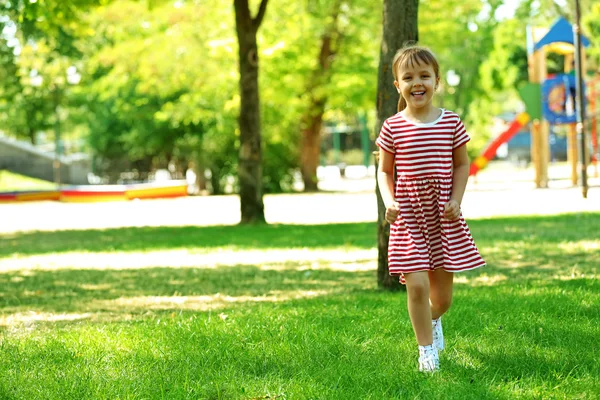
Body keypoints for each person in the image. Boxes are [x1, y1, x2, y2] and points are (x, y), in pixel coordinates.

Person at [376, 45, 485, 372]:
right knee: (418, 285)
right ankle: (426, 352)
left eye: (424, 75)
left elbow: (462, 166)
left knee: (442, 300)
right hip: (408, 216)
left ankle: (433, 320)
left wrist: (456, 199)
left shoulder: (450, 122)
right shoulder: (392, 127)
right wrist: (390, 201)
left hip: (442, 217)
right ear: (398, 85)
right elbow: (384, 171)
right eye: (408, 77)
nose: (417, 82)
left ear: (436, 81)